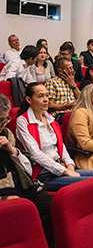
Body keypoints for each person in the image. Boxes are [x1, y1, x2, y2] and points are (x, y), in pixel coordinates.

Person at [15, 83, 93, 190]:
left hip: (62, 166)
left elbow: (60, 145)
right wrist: (65, 171)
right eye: (40, 96)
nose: (46, 100)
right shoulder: (23, 121)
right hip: (44, 173)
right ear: (29, 100)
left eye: (47, 95)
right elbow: (35, 154)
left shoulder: (49, 118)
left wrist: (70, 165)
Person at [0, 93, 53, 233]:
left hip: (23, 183)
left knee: (48, 204)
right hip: (4, 188)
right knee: (16, 208)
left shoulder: (6, 133)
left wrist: (12, 151)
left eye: (4, 120)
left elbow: (27, 170)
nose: (2, 126)